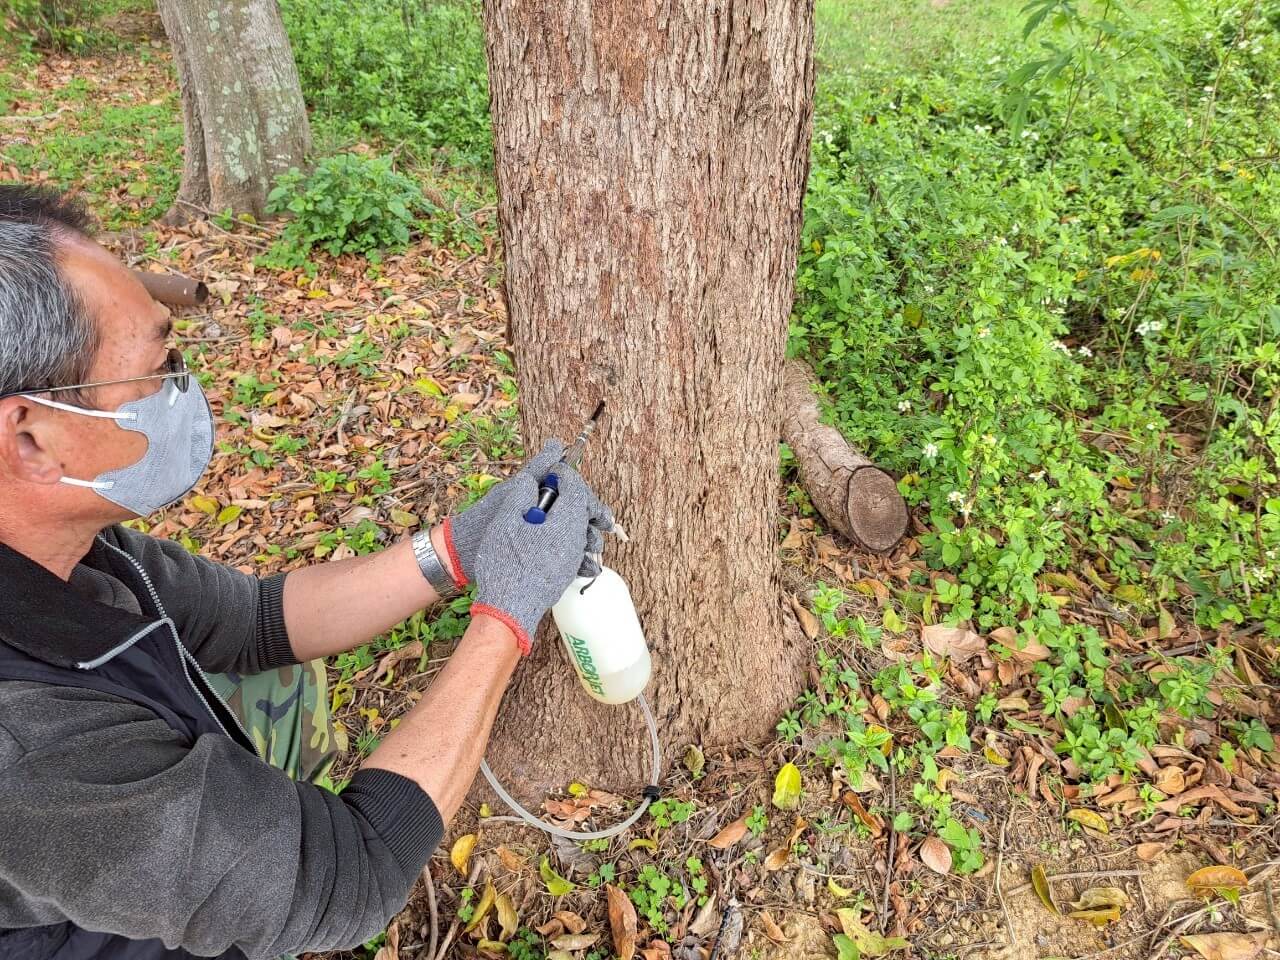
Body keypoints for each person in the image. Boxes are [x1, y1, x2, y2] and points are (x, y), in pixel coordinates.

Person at [0, 184, 615, 960]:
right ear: (31, 439)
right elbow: (350, 874)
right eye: (160, 366)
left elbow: (255, 622)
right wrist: (508, 617)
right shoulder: (30, 753)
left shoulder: (58, 549)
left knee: (280, 685)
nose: (183, 389)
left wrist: (458, 547)